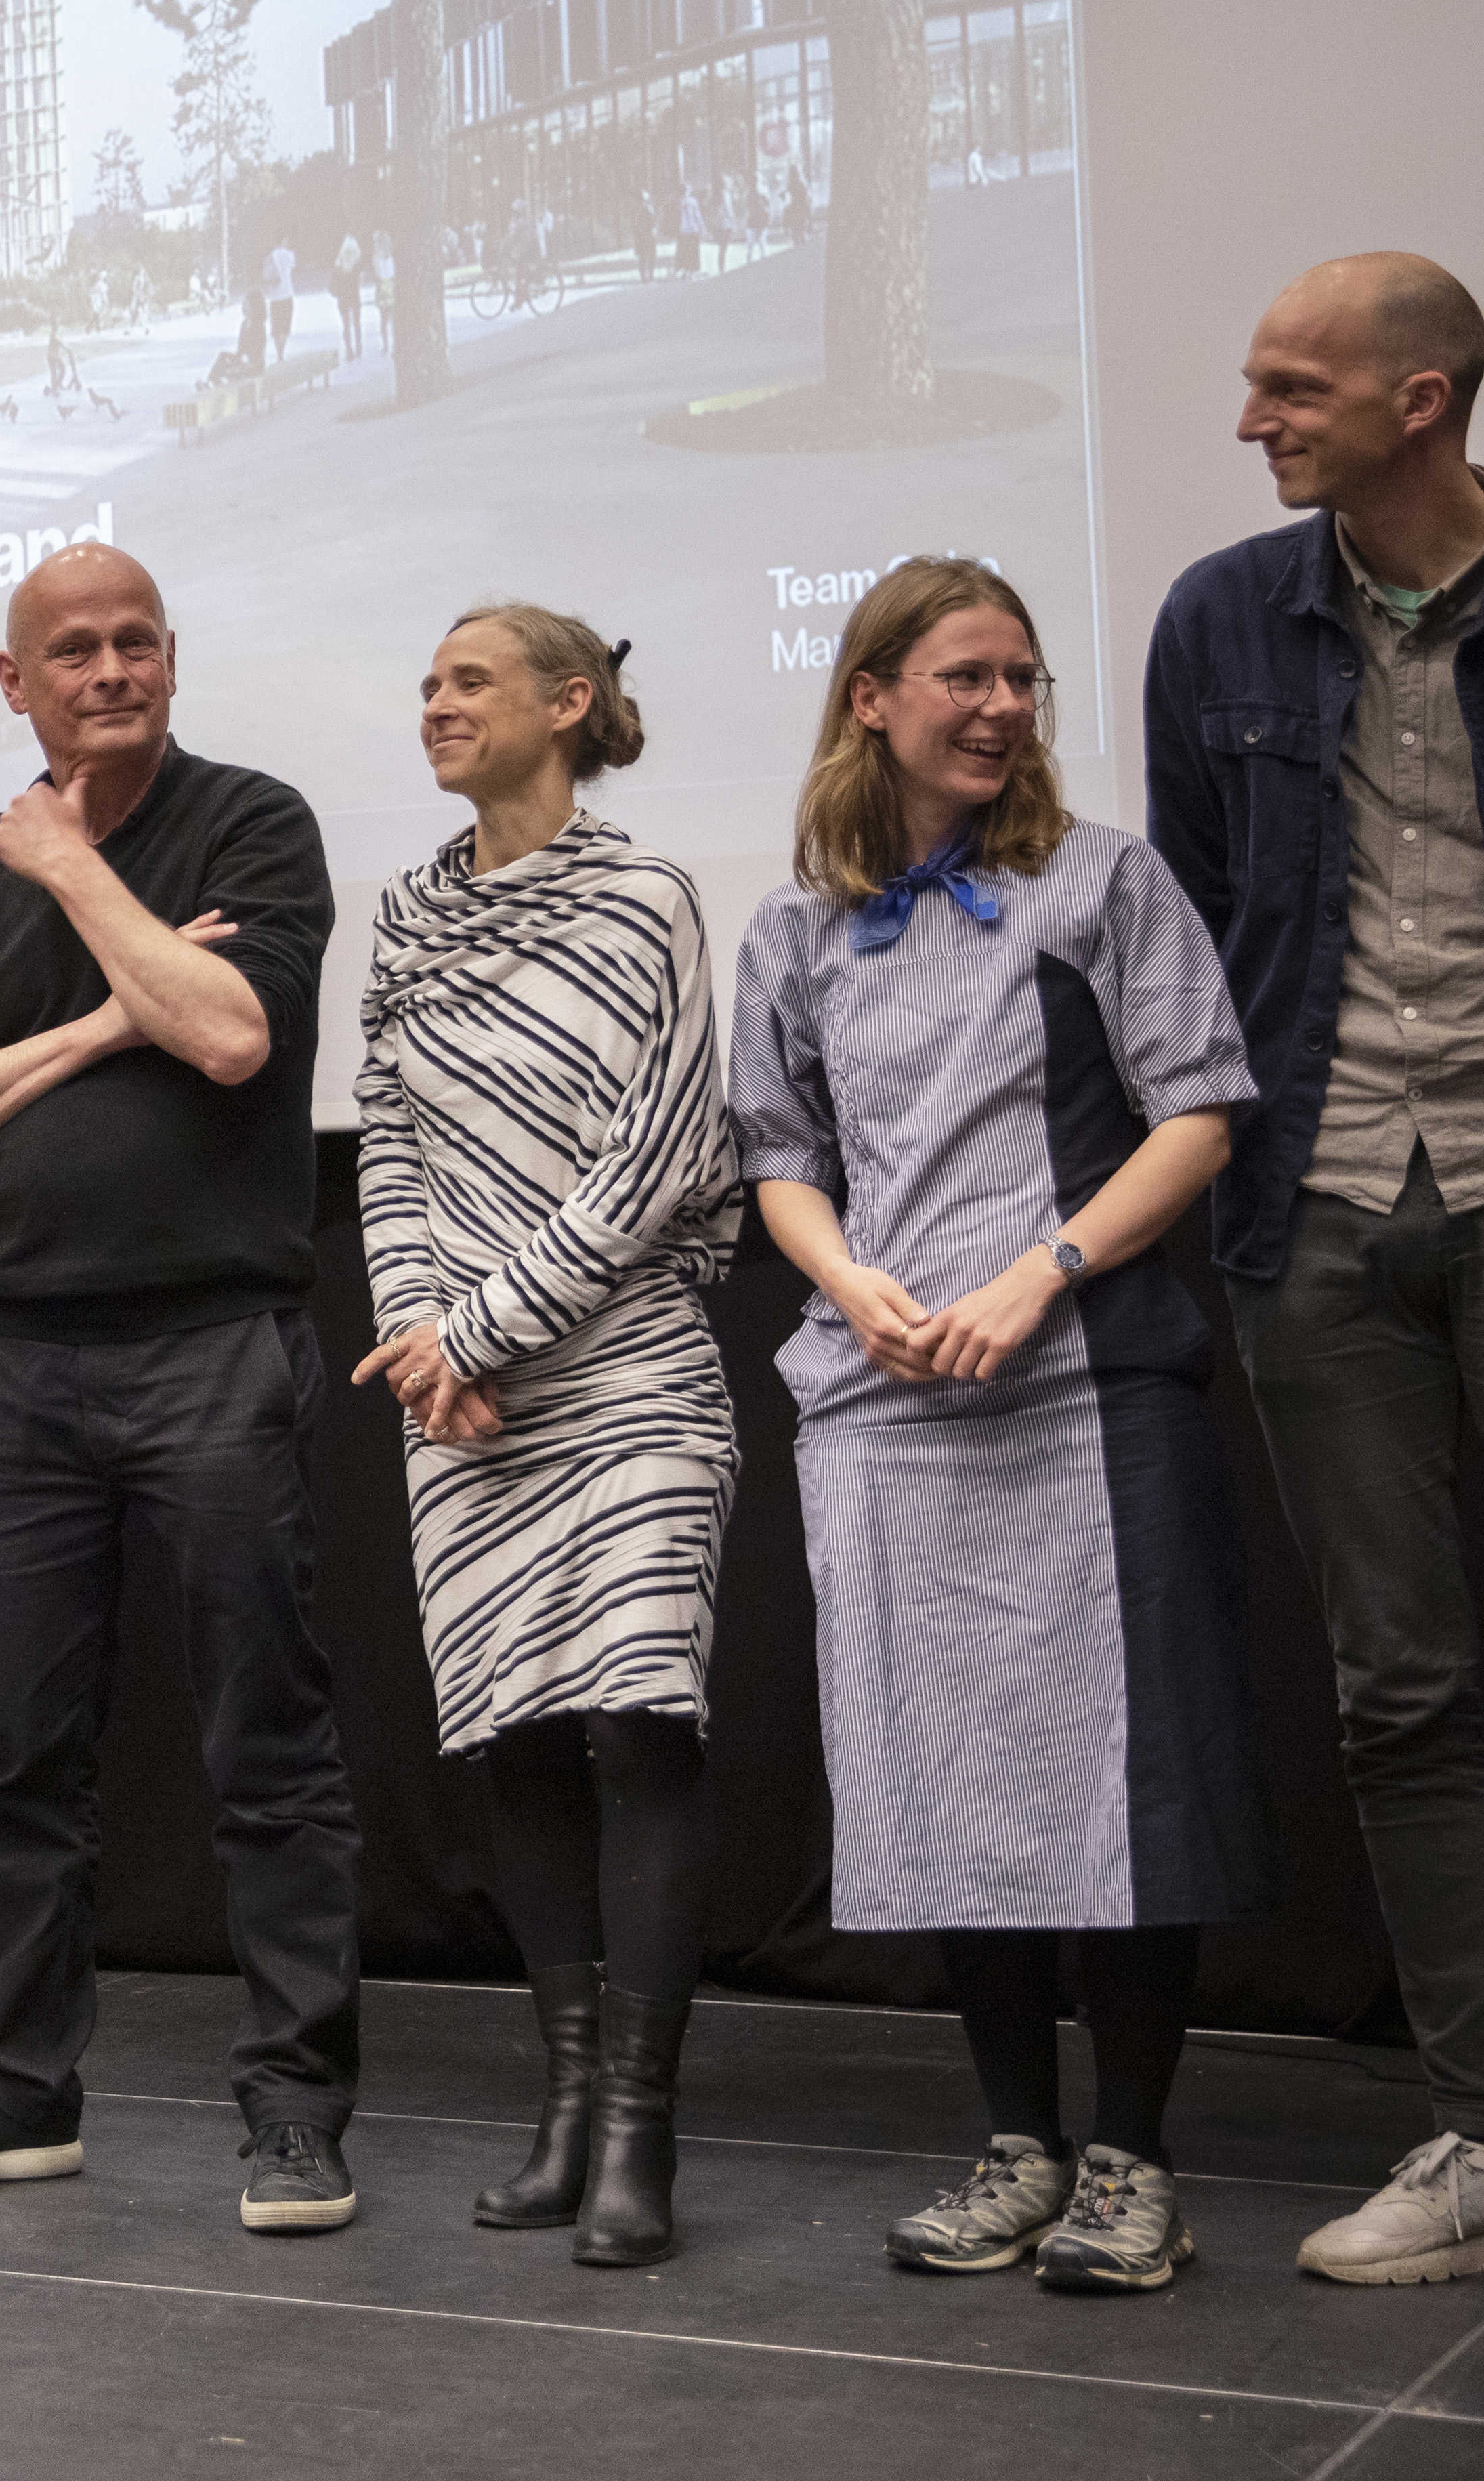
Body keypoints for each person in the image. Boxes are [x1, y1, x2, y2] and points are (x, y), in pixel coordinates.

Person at [737, 556, 1275, 2295]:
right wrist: (854, 1284)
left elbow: (1194, 1110)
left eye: (1021, 679)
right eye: (962, 674)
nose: (997, 707)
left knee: (1117, 1774)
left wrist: (1036, 1273)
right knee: (950, 1776)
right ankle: (1012, 2144)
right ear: (869, 694)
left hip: (1082, 1386)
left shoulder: (1100, 882)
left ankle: (1128, 2156)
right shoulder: (790, 927)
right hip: (882, 1410)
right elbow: (776, 1156)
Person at [0, 541, 363, 2234]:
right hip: (12, 1356)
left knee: (261, 1745)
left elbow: (223, 1034)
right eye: (71, 648)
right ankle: (12, 2090)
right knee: (14, 1754)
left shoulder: (250, 822)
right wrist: (85, 1029)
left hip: (211, 1343)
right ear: (13, 681)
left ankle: (293, 2109)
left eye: (137, 638)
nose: (111, 668)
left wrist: (68, 866)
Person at [1145, 250, 1484, 2285]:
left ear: (1418, 400)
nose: (1250, 415)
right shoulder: (1216, 616)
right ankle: (1471, 2126)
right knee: (1402, 1685)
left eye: (1288, 385)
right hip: (1315, 1213)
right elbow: (1190, 917)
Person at [352, 610, 738, 2268]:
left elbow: (652, 1156)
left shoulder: (645, 895)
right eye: (425, 682)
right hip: (460, 1396)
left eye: (467, 681)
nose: (432, 702)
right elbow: (386, 1136)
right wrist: (419, 1334)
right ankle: (565, 2101)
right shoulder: (401, 912)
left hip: (626, 1371)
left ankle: (640, 2130)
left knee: (641, 1724)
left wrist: (480, 1327)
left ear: (565, 705)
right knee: (514, 1737)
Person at [333, 234, 369, 364]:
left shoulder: (339, 263)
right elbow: (361, 282)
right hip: (354, 296)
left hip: (342, 298)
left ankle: (349, 350)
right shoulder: (358, 265)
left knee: (346, 325)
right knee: (357, 323)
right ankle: (359, 346)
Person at [263, 241, 299, 361]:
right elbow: (293, 265)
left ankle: (279, 352)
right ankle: (282, 352)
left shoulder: (269, 256)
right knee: (285, 326)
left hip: (274, 297)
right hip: (287, 294)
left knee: (276, 327)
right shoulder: (289, 255)